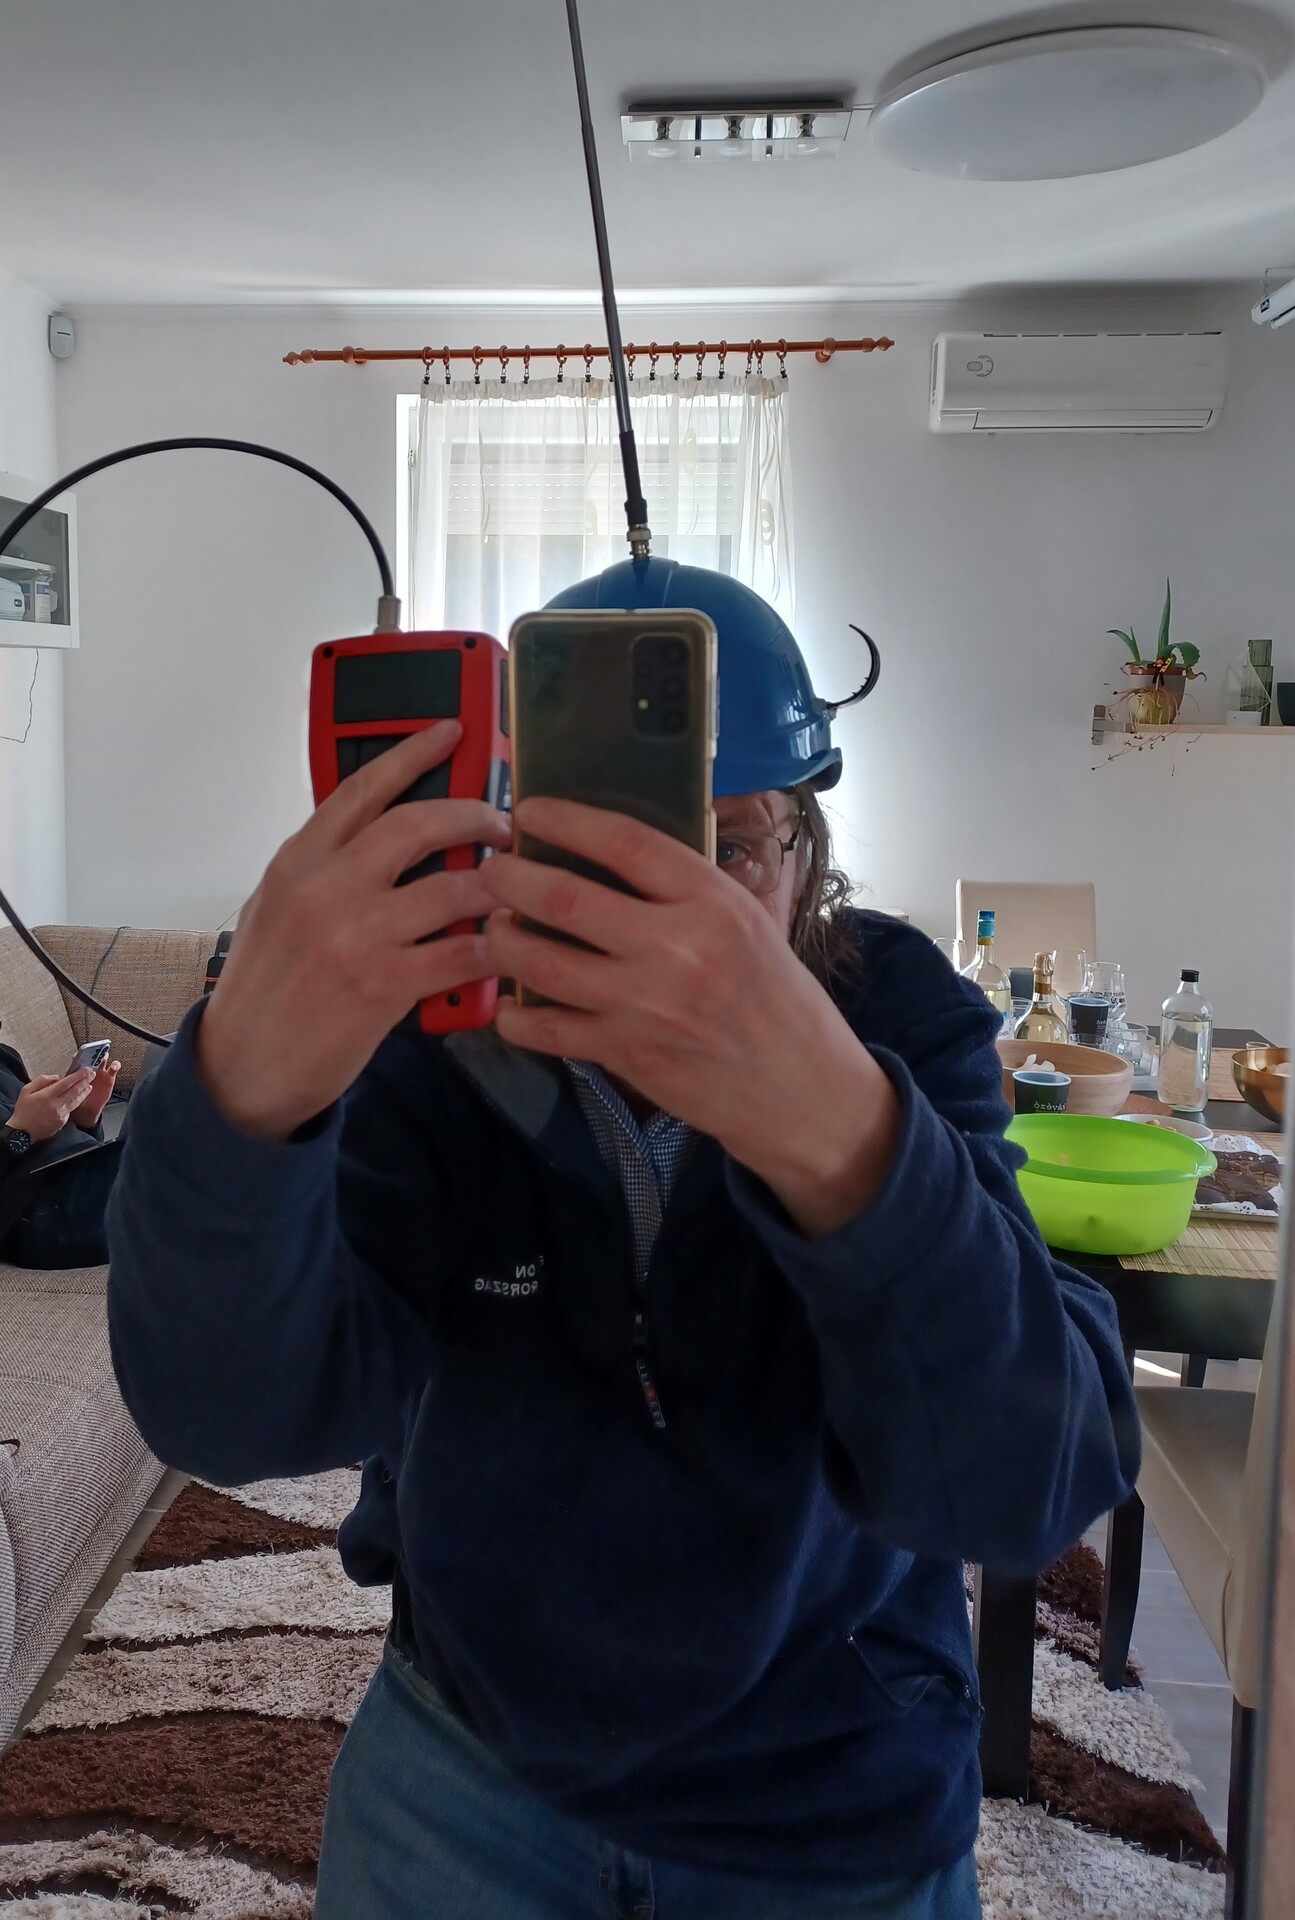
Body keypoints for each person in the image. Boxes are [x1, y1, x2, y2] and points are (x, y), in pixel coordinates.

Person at [106, 565, 1139, 1920]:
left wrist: (841, 1140)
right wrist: (241, 1094)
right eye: (600, 852)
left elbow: (1024, 1484)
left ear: (807, 857)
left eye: (729, 848)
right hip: (470, 1762)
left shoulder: (896, 1020)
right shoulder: (434, 1037)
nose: (667, 913)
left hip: (831, 1797)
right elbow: (230, 1412)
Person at [1, 1033, 122, 1267]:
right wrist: (22, 1131)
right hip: (32, 1213)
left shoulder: (5, 1057)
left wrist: (82, 1118)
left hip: (75, 1173)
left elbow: (49, 1144)